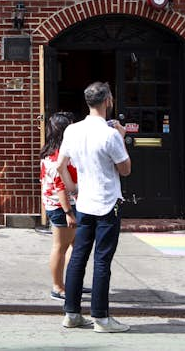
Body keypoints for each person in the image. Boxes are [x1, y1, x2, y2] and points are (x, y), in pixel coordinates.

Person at [55, 81, 131, 333]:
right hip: (108, 203)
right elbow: (125, 169)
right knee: (102, 261)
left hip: (84, 202)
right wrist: (121, 137)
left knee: (77, 258)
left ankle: (71, 313)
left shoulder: (72, 130)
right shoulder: (110, 135)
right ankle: (101, 317)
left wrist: (73, 189)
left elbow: (60, 165)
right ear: (108, 100)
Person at [39, 111, 78, 300]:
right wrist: (69, 212)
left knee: (75, 245)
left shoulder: (49, 151)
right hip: (61, 206)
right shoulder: (59, 156)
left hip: (55, 204)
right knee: (61, 246)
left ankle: (70, 283)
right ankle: (58, 286)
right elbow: (61, 187)